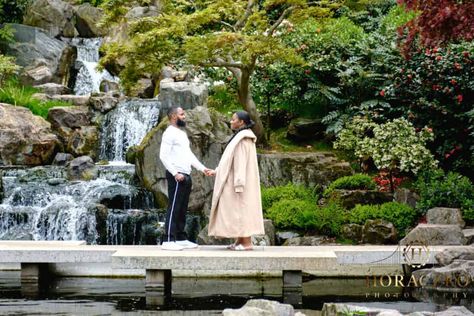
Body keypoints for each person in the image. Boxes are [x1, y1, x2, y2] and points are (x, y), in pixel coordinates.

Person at [207, 111, 265, 250]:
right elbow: (230, 161)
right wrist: (217, 171)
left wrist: (239, 183)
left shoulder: (243, 139)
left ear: (241, 122)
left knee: (240, 210)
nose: (231, 121)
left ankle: (246, 243)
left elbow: (240, 162)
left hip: (238, 182)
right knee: (237, 210)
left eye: (233, 119)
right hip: (236, 180)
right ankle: (239, 241)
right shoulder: (241, 136)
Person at [159, 106, 211, 251]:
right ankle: (168, 240)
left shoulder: (181, 134)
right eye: (182, 114)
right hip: (177, 175)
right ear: (174, 116)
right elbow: (163, 156)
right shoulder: (169, 133)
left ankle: (180, 237)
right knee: (174, 206)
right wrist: (175, 173)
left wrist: (202, 168)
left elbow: (189, 155)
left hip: (185, 174)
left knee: (182, 208)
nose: (185, 116)